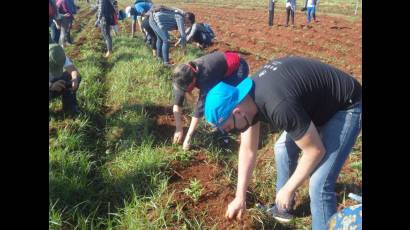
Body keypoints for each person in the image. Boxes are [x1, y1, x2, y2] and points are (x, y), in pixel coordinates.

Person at [204, 56, 362, 230]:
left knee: (319, 184)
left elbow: (315, 151)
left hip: (346, 105)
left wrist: (289, 187)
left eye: (229, 128)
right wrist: (239, 197)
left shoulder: (278, 106)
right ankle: (283, 210)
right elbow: (248, 150)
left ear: (237, 112)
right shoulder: (247, 101)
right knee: (282, 148)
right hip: (314, 106)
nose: (231, 132)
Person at [172, 51, 249, 150]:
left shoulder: (206, 75)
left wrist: (188, 137)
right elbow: (177, 103)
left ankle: (227, 126)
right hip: (220, 70)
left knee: (223, 100)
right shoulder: (181, 75)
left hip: (238, 69)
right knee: (216, 98)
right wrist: (179, 129)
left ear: (193, 81)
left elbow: (199, 109)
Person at [49, 43, 82, 116]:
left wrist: (74, 79)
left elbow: (73, 71)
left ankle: (69, 108)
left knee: (72, 76)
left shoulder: (58, 54)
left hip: (53, 82)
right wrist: (51, 86)